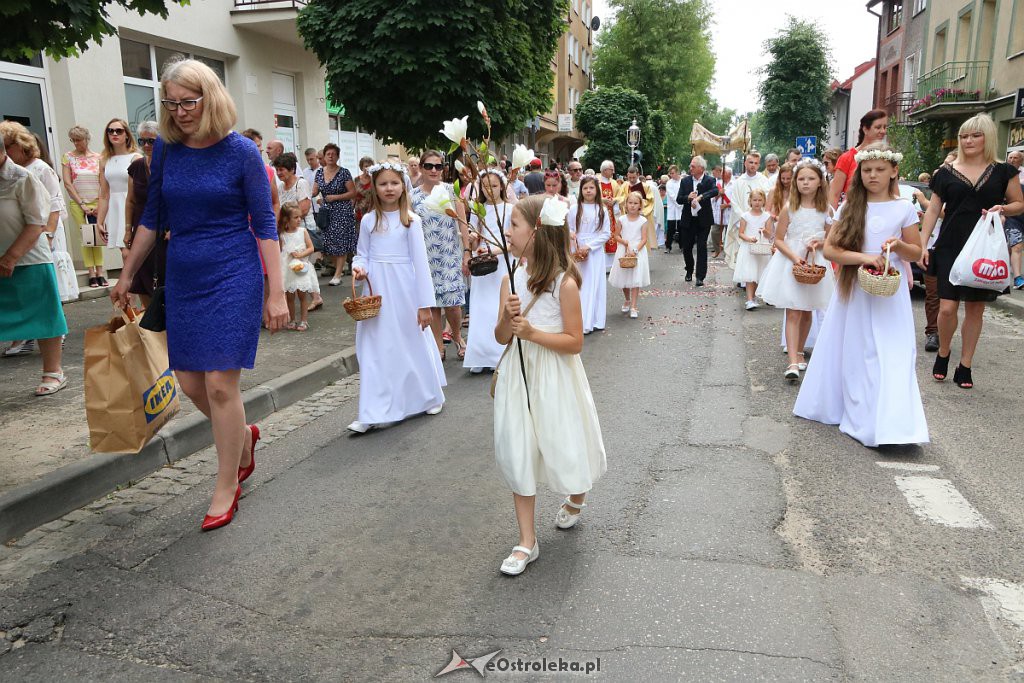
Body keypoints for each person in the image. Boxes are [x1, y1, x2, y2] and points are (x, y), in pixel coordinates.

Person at [110, 58, 289, 531]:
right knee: (189, 383)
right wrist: (127, 272)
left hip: (234, 272)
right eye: (171, 103)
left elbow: (266, 225)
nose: (180, 111)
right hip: (185, 276)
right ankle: (244, 440)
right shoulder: (168, 150)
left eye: (188, 102)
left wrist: (277, 292)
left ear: (210, 98)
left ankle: (226, 483)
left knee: (218, 384)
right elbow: (153, 215)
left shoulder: (242, 153)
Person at [493, 195, 607, 576]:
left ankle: (577, 495)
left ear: (537, 232)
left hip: (554, 374)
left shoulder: (564, 283)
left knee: (563, 443)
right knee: (518, 449)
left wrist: (533, 331)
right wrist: (510, 323)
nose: (507, 232)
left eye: (514, 225)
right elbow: (501, 338)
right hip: (517, 376)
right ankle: (527, 540)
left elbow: (574, 341)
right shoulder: (510, 278)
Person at [795, 143, 928, 447]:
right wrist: (863, 258)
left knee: (893, 354)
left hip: (889, 291)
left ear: (894, 171)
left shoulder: (904, 208)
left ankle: (894, 425)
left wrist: (898, 246)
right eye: (867, 170)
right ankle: (862, 417)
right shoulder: (850, 207)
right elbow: (831, 249)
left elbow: (915, 251)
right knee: (861, 352)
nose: (872, 175)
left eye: (880, 170)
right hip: (857, 289)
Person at [919, 114, 1024, 388]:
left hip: (984, 247)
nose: (968, 140)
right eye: (964, 136)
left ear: (988, 137)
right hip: (950, 244)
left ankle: (965, 365)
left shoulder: (1004, 172)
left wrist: (1003, 208)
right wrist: (922, 243)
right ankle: (943, 352)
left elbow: (1018, 204)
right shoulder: (945, 173)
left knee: (975, 310)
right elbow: (932, 209)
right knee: (946, 307)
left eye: (975, 135)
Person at [349, 162, 446, 432]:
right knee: (374, 350)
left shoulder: (410, 222)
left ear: (403, 186)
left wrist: (424, 304)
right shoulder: (369, 220)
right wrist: (359, 268)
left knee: (410, 343)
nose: (389, 188)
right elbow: (362, 254)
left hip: (405, 290)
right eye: (383, 184)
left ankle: (429, 394)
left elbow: (421, 264)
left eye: (394, 183)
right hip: (376, 291)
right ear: (375, 188)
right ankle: (371, 411)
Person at [756, 158, 836, 380]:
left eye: (811, 179)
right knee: (793, 309)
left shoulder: (826, 210)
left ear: (820, 182)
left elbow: (832, 238)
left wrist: (819, 244)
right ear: (795, 182)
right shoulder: (789, 208)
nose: (806, 183)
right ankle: (792, 362)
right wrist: (793, 257)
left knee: (807, 309)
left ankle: (800, 352)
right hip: (792, 261)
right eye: (801, 179)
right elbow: (779, 239)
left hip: (815, 261)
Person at [0, 141, 69, 395]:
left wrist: (11, 257)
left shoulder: (22, 177)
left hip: (28, 257)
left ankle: (54, 372)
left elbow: (37, 223)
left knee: (44, 315)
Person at [0, 123, 79, 312]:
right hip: (29, 230)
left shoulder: (40, 168)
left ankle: (55, 332)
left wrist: (49, 235)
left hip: (46, 229)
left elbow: (55, 203)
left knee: (47, 284)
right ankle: (25, 338)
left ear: (20, 145)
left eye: (8, 146)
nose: (6, 151)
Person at [411, 150, 470, 361]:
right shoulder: (413, 196)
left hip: (449, 254)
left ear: (443, 168)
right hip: (425, 257)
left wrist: (466, 252)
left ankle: (457, 336)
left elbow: (463, 223)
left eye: (438, 166)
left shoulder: (451, 191)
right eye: (429, 166)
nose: (434, 170)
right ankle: (438, 345)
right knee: (433, 303)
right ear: (421, 168)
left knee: (453, 303)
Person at [464, 170, 511, 373]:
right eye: (485, 186)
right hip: (484, 263)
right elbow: (474, 236)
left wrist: (494, 250)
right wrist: (473, 238)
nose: (490, 190)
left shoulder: (509, 209)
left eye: (493, 185)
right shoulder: (478, 209)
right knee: (481, 307)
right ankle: (480, 354)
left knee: (497, 307)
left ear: (501, 186)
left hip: (501, 263)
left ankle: (497, 354)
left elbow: (513, 241)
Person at [273, 152, 323, 311]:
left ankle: (315, 296)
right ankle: (313, 296)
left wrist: (290, 223)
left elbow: (304, 207)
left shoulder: (300, 184)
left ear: (291, 169)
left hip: (302, 227)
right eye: (277, 170)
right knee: (293, 263)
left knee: (304, 263)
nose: (279, 173)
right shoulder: (281, 186)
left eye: (282, 170)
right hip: (287, 229)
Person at [61, 126, 107, 287]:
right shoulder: (68, 157)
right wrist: (82, 204)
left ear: (87, 139)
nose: (76, 143)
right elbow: (67, 183)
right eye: (73, 140)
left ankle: (101, 271)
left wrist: (99, 203)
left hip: (97, 202)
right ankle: (91, 272)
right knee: (85, 238)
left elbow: (103, 182)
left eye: (78, 140)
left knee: (97, 236)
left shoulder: (99, 157)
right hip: (78, 203)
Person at [124, 120, 162, 308]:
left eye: (151, 141)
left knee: (164, 277)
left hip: (164, 228)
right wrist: (128, 230)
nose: (146, 145)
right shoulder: (137, 166)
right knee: (143, 277)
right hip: (140, 225)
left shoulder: (169, 165)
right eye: (142, 141)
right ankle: (151, 326)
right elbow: (130, 200)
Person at [568, 176, 611, 333]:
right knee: (580, 285)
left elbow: (606, 233)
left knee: (594, 285)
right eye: (585, 188)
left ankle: (593, 320)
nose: (588, 191)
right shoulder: (574, 209)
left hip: (594, 252)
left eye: (591, 188)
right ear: (581, 190)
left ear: (596, 190)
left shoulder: (602, 210)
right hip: (577, 249)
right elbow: (569, 228)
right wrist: (574, 239)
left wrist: (590, 246)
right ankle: (578, 321)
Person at [95, 118, 142, 260]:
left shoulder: (136, 158)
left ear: (127, 134)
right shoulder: (104, 160)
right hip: (115, 208)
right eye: (110, 131)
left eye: (119, 131)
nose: (114, 134)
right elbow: (104, 194)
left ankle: (132, 281)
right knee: (125, 253)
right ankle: (130, 281)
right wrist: (99, 220)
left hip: (132, 206)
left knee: (130, 253)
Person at [313, 143, 358, 285]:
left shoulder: (344, 172)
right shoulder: (319, 172)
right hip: (326, 212)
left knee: (341, 242)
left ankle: (338, 274)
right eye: (328, 154)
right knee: (326, 243)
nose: (331, 156)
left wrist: (336, 197)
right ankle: (340, 267)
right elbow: (314, 191)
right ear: (324, 157)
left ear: (338, 156)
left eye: (334, 154)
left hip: (342, 211)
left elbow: (353, 192)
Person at [829, 109, 888, 209]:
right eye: (878, 127)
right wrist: (832, 221)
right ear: (865, 129)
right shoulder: (847, 158)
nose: (883, 131)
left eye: (885, 127)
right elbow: (834, 194)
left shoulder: (888, 157)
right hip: (852, 214)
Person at [724, 152, 773, 269]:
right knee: (743, 249)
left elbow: (767, 200)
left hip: (760, 220)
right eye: (750, 162)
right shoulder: (739, 181)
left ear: (759, 165)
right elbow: (734, 202)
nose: (753, 165)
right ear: (745, 163)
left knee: (759, 247)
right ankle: (744, 278)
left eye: (756, 163)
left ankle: (758, 276)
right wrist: (744, 217)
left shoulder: (763, 180)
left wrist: (761, 216)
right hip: (743, 221)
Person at [675, 156, 718, 286]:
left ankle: (700, 276)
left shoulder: (709, 180)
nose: (690, 168)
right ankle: (689, 269)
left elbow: (714, 191)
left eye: (693, 166)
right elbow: (678, 199)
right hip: (688, 219)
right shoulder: (685, 181)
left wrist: (701, 197)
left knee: (701, 246)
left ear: (701, 168)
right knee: (687, 247)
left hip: (703, 220)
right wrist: (688, 197)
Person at [608, 191, 651, 319]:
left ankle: (633, 305)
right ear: (626, 204)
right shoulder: (621, 219)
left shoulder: (643, 220)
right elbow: (615, 235)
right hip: (624, 250)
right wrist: (624, 242)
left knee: (635, 279)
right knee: (624, 277)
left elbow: (644, 239)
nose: (632, 206)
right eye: (630, 203)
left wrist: (635, 250)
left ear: (640, 206)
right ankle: (627, 299)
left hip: (637, 250)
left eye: (635, 203)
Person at [277, 201, 316, 331]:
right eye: (295, 217)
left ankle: (304, 320)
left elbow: (311, 248)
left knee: (302, 295)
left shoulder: (302, 231)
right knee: (290, 296)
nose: (299, 219)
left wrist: (300, 254)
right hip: (288, 269)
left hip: (301, 268)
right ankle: (292, 319)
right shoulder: (282, 235)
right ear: (286, 219)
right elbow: (281, 252)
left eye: (300, 217)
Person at [733, 188, 772, 310]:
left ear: (764, 201)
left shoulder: (767, 216)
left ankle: (754, 297)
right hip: (749, 248)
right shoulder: (745, 216)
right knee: (750, 274)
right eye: (754, 200)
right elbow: (741, 233)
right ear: (750, 201)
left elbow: (769, 234)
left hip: (761, 248)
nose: (757, 202)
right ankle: (749, 299)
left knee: (758, 274)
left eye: (760, 200)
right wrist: (749, 238)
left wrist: (764, 231)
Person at [1005, 150, 1024, 289]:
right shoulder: (1002, 174)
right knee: (1016, 246)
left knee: (1010, 247)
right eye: (1010, 157)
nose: (1012, 160)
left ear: (1021, 160)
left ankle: (1001, 269)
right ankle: (1018, 278)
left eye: (1015, 158)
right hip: (1012, 217)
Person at [710, 166, 732, 258]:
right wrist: (719, 194)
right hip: (719, 212)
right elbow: (712, 198)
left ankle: (729, 252)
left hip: (730, 212)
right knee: (714, 232)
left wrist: (727, 205)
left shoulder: (735, 184)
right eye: (722, 172)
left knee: (729, 234)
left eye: (724, 173)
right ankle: (717, 249)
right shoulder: (717, 184)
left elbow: (737, 200)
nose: (722, 174)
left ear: (729, 174)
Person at [664, 165, 684, 253]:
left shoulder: (682, 181)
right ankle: (668, 246)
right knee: (671, 228)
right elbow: (672, 196)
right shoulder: (669, 183)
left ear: (677, 172)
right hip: (673, 207)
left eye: (673, 173)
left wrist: (682, 204)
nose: (671, 175)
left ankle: (682, 246)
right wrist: (679, 203)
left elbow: (684, 193)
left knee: (681, 227)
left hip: (681, 207)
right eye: (670, 173)